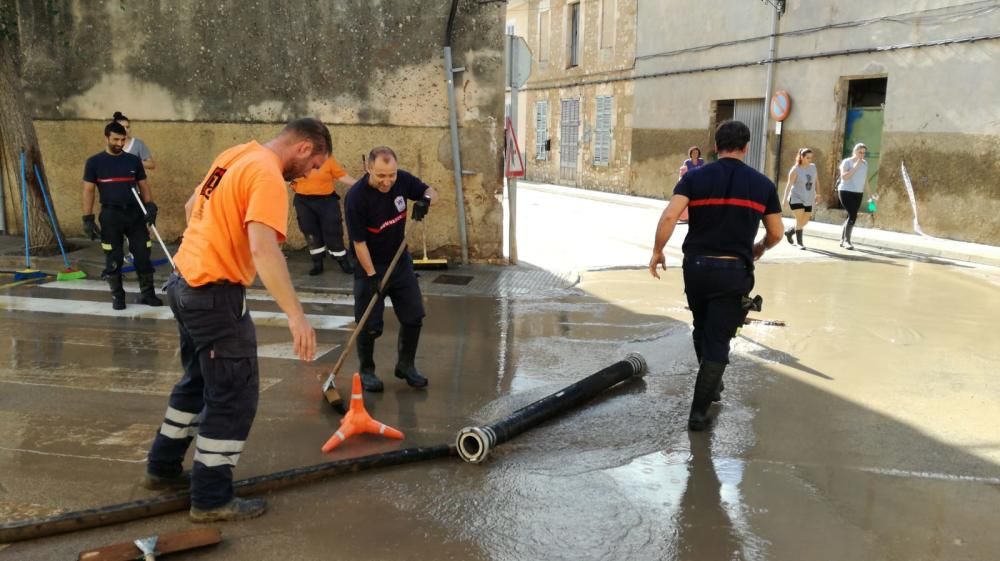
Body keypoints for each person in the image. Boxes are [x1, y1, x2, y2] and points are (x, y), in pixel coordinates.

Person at [142, 118, 327, 523]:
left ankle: (162, 467)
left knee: (197, 380)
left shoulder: (236, 154)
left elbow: (193, 208)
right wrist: (297, 316)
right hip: (214, 295)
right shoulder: (268, 176)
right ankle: (210, 500)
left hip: (183, 281)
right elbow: (264, 251)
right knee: (233, 392)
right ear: (304, 149)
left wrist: (214, 244)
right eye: (314, 166)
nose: (311, 175)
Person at [648, 120, 784, 431]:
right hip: (733, 271)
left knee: (702, 326)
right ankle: (698, 413)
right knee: (719, 340)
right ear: (746, 147)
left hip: (696, 269)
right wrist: (758, 248)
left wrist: (657, 250)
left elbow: (670, 215)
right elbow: (776, 233)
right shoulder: (762, 184)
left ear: (715, 146)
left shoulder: (695, 178)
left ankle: (712, 382)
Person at [344, 146, 439, 393]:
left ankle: (405, 366)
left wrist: (425, 200)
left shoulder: (403, 180)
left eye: (391, 175)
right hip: (369, 264)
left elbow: (431, 191)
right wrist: (372, 275)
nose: (387, 181)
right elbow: (359, 243)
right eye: (381, 176)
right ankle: (366, 371)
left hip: (399, 261)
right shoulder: (356, 197)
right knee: (370, 323)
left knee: (414, 316)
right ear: (369, 169)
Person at [82, 121, 163, 310]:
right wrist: (87, 218)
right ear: (107, 138)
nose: (119, 143)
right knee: (114, 258)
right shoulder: (94, 162)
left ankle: (148, 294)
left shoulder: (132, 160)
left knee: (143, 254)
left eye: (122, 139)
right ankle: (118, 297)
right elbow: (88, 191)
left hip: (134, 214)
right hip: (111, 215)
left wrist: (150, 206)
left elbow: (143, 185)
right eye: (116, 139)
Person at [290, 155, 358, 275]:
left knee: (333, 230)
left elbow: (342, 176)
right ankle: (317, 262)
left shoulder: (327, 159)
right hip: (303, 202)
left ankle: (342, 261)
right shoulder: (296, 159)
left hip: (326, 201)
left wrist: (361, 184)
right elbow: (286, 176)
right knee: (310, 231)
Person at [782, 148, 820, 249]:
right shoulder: (795, 169)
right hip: (796, 198)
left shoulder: (813, 167)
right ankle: (800, 243)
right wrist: (785, 199)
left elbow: (816, 181)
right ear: (802, 157)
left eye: (811, 158)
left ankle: (789, 232)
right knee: (799, 220)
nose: (810, 160)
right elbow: (789, 185)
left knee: (805, 221)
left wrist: (818, 194)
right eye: (808, 158)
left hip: (809, 198)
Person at [837, 143, 868, 250]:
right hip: (845, 191)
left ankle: (842, 240)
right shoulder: (847, 162)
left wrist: (870, 194)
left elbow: (865, 180)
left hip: (858, 193)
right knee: (853, 215)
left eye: (864, 153)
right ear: (855, 151)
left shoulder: (865, 163)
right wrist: (855, 166)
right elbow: (844, 177)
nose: (862, 155)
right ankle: (847, 241)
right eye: (860, 152)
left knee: (851, 215)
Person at [676, 146, 705, 224]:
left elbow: (703, 172)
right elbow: (683, 174)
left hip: (698, 183)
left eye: (696, 152)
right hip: (689, 183)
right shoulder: (687, 162)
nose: (695, 154)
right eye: (693, 153)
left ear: (699, 154)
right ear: (690, 154)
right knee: (687, 201)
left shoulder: (701, 161)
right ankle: (685, 217)